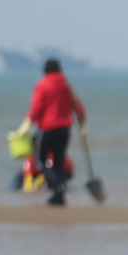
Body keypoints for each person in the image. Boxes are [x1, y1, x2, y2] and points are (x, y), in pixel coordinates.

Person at [27, 58, 86, 207]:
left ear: (45, 71)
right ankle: (58, 196)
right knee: (58, 162)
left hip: (47, 128)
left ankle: (59, 188)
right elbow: (78, 106)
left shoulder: (42, 85)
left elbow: (37, 107)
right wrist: (82, 123)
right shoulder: (66, 86)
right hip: (65, 129)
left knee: (41, 160)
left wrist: (27, 122)